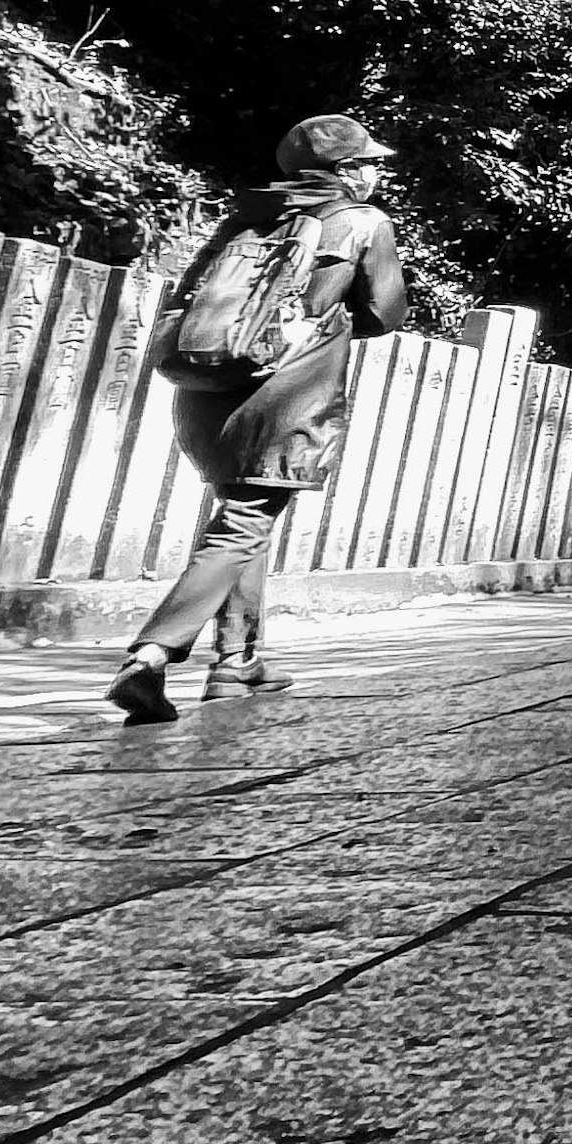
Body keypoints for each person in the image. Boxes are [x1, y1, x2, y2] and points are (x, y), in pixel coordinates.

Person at [105, 114, 408, 721]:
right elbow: (383, 314)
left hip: (206, 390)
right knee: (245, 523)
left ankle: (238, 662)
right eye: (368, 163)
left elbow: (189, 303)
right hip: (285, 397)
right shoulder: (363, 223)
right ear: (346, 172)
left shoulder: (243, 216)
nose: (376, 173)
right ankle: (152, 653)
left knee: (243, 523)